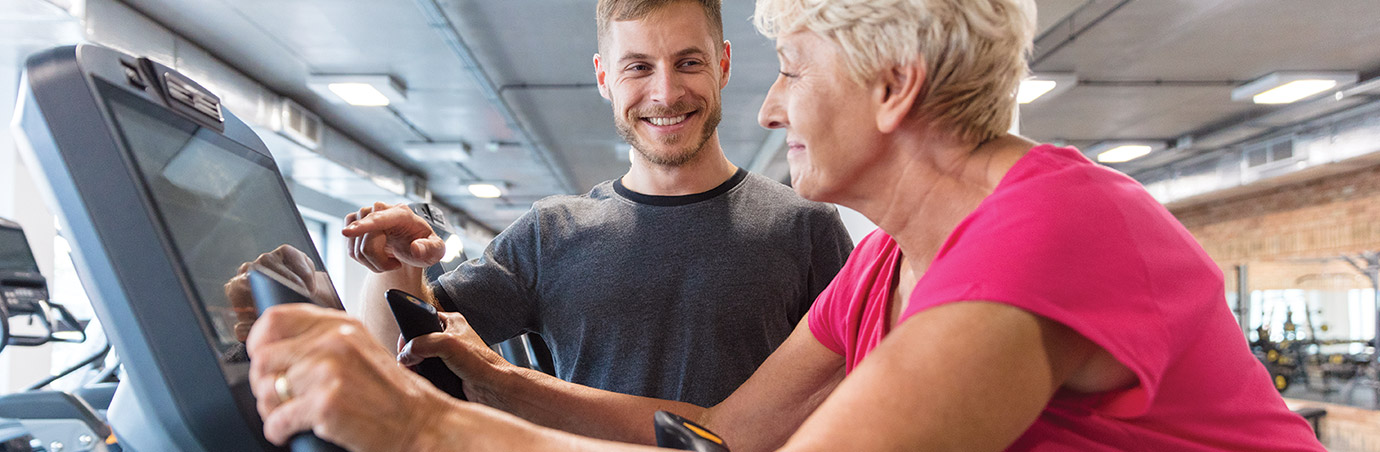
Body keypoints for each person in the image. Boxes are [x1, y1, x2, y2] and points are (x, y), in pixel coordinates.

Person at [246, 0, 1328, 450]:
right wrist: (501, 385)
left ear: (893, 86)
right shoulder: (887, 268)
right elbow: (725, 432)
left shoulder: (1049, 232)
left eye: (791, 71)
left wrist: (424, 425)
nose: (767, 106)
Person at [338, 0, 853, 408]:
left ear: (722, 64)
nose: (666, 92)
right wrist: (396, 267)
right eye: (638, 67)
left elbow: (854, 396)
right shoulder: (551, 234)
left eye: (688, 62)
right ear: (604, 77)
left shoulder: (806, 229)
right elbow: (395, 355)